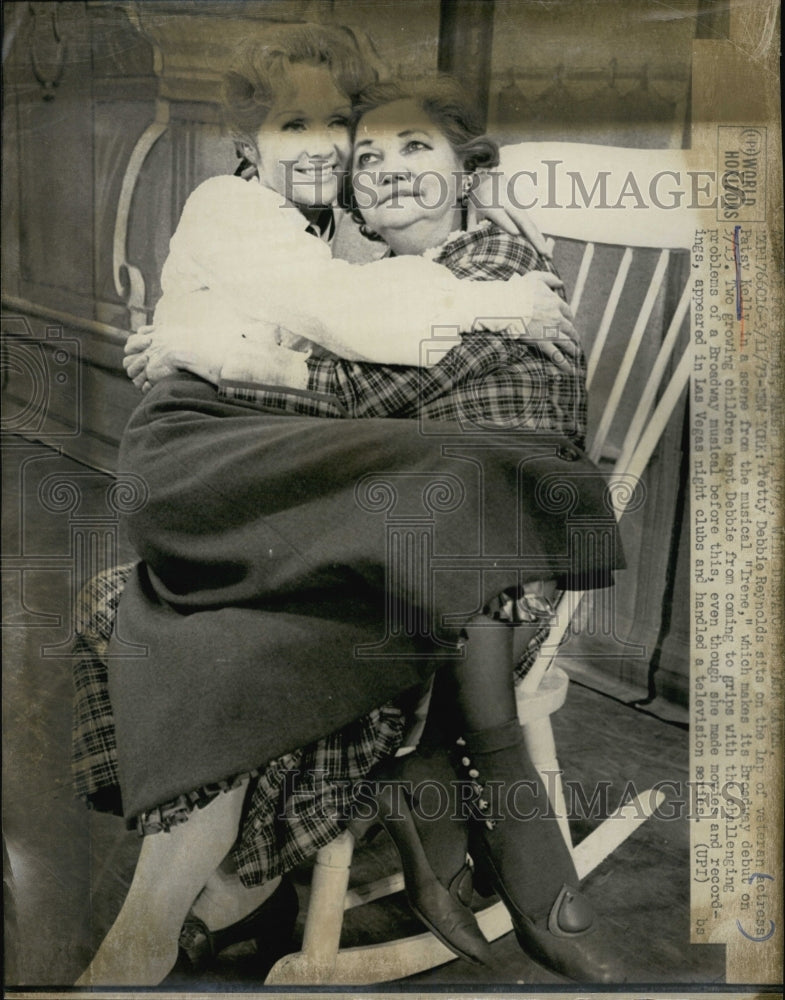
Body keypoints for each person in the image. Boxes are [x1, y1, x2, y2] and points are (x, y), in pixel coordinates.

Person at [74, 29, 616, 989]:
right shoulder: (234, 207)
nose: (331, 147)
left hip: (357, 499)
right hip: (225, 470)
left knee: (442, 485)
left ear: (466, 173)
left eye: (343, 124)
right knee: (445, 475)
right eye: (301, 126)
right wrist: (188, 348)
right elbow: (351, 339)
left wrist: (199, 345)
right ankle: (449, 795)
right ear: (248, 134)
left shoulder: (393, 243)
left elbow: (355, 363)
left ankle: (237, 884)